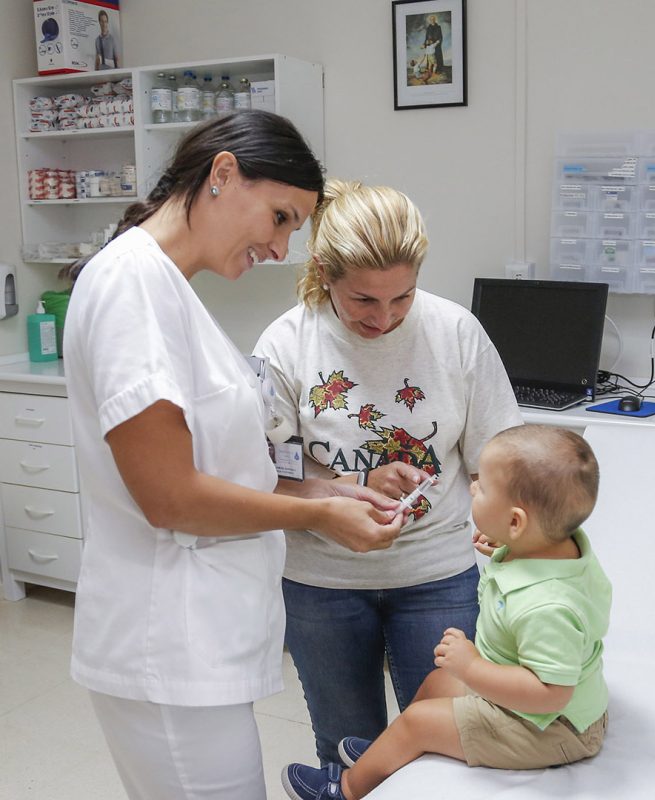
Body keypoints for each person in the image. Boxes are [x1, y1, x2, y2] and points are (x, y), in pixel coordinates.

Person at [61, 111, 405, 800]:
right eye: (279, 217)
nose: (281, 248)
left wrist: (327, 491)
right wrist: (317, 520)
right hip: (168, 645)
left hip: (197, 643)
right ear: (223, 174)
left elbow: (228, 458)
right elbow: (172, 497)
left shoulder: (168, 290)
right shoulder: (135, 286)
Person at [252, 179, 524, 767]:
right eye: (364, 302)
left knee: (447, 748)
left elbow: (499, 465)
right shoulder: (286, 344)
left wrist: (505, 529)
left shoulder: (454, 334)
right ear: (324, 272)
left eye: (402, 297)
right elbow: (258, 477)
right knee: (347, 751)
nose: (386, 318)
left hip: (437, 575)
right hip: (321, 581)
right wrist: (350, 490)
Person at [281, 424, 612, 800]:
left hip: (551, 728)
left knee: (420, 721)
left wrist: (471, 666)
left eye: (482, 488)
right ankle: (393, 748)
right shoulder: (550, 548)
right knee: (439, 684)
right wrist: (510, 546)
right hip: (530, 708)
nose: (472, 487)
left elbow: (550, 694)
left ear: (516, 521)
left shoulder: (548, 605)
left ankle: (346, 789)